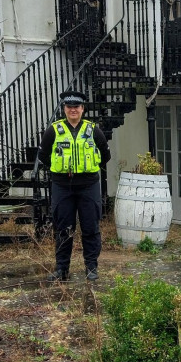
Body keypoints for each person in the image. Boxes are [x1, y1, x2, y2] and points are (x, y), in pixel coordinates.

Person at [37, 90, 110, 281]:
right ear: (64, 109)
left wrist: (87, 170)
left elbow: (105, 155)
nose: (73, 110)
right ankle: (62, 269)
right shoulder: (54, 130)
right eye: (69, 107)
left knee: (90, 227)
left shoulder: (93, 130)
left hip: (89, 185)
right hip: (62, 186)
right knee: (63, 228)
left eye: (76, 107)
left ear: (83, 109)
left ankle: (91, 267)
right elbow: (43, 156)